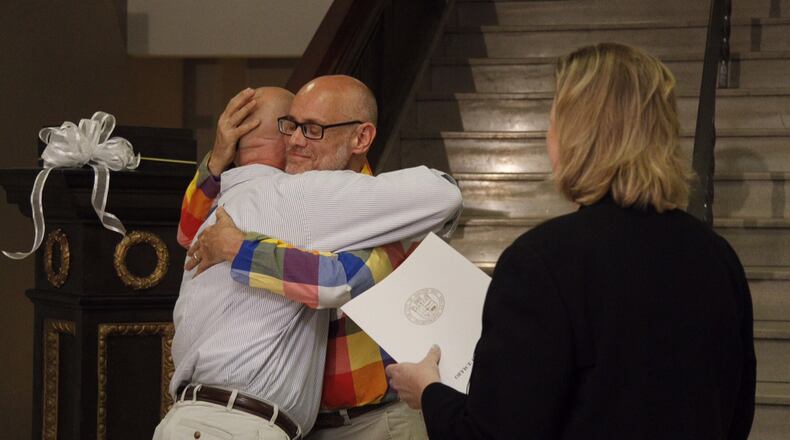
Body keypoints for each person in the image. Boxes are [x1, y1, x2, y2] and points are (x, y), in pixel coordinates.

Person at [385, 43, 756, 439]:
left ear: (575, 135)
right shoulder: (717, 256)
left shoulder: (541, 262)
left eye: (553, 120)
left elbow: (493, 434)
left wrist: (428, 392)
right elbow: (736, 416)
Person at [157, 77, 460, 440]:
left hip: (375, 422)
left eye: (312, 129)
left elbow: (335, 281)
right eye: (291, 126)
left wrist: (242, 249)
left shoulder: (381, 214)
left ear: (361, 138)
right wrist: (217, 161)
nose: (295, 141)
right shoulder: (282, 196)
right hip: (294, 424)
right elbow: (190, 235)